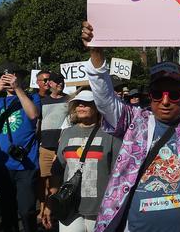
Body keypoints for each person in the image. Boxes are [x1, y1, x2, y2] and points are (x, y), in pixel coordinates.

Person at [80, 19, 180, 232]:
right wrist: (96, 54)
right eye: (158, 94)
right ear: (150, 96)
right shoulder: (134, 122)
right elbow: (104, 99)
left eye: (173, 94)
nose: (165, 101)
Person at [42, 90, 121, 231]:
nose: (81, 106)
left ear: (98, 107)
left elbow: (119, 174)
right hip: (69, 206)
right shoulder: (66, 133)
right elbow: (57, 171)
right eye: (78, 103)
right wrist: (50, 204)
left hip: (100, 208)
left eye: (87, 103)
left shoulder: (111, 135)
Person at [0, 62, 42, 232]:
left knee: (27, 209)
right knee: (7, 211)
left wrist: (18, 89)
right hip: (3, 164)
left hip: (26, 164)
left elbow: (33, 114)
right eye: (4, 78)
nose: (9, 80)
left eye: (13, 76)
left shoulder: (32, 97)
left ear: (20, 77)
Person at [39, 72, 70, 224]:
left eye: (62, 82)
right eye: (57, 81)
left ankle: (54, 211)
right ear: (50, 83)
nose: (60, 84)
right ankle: (43, 210)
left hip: (61, 148)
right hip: (44, 147)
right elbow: (38, 123)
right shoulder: (42, 101)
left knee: (57, 182)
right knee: (44, 182)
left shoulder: (69, 100)